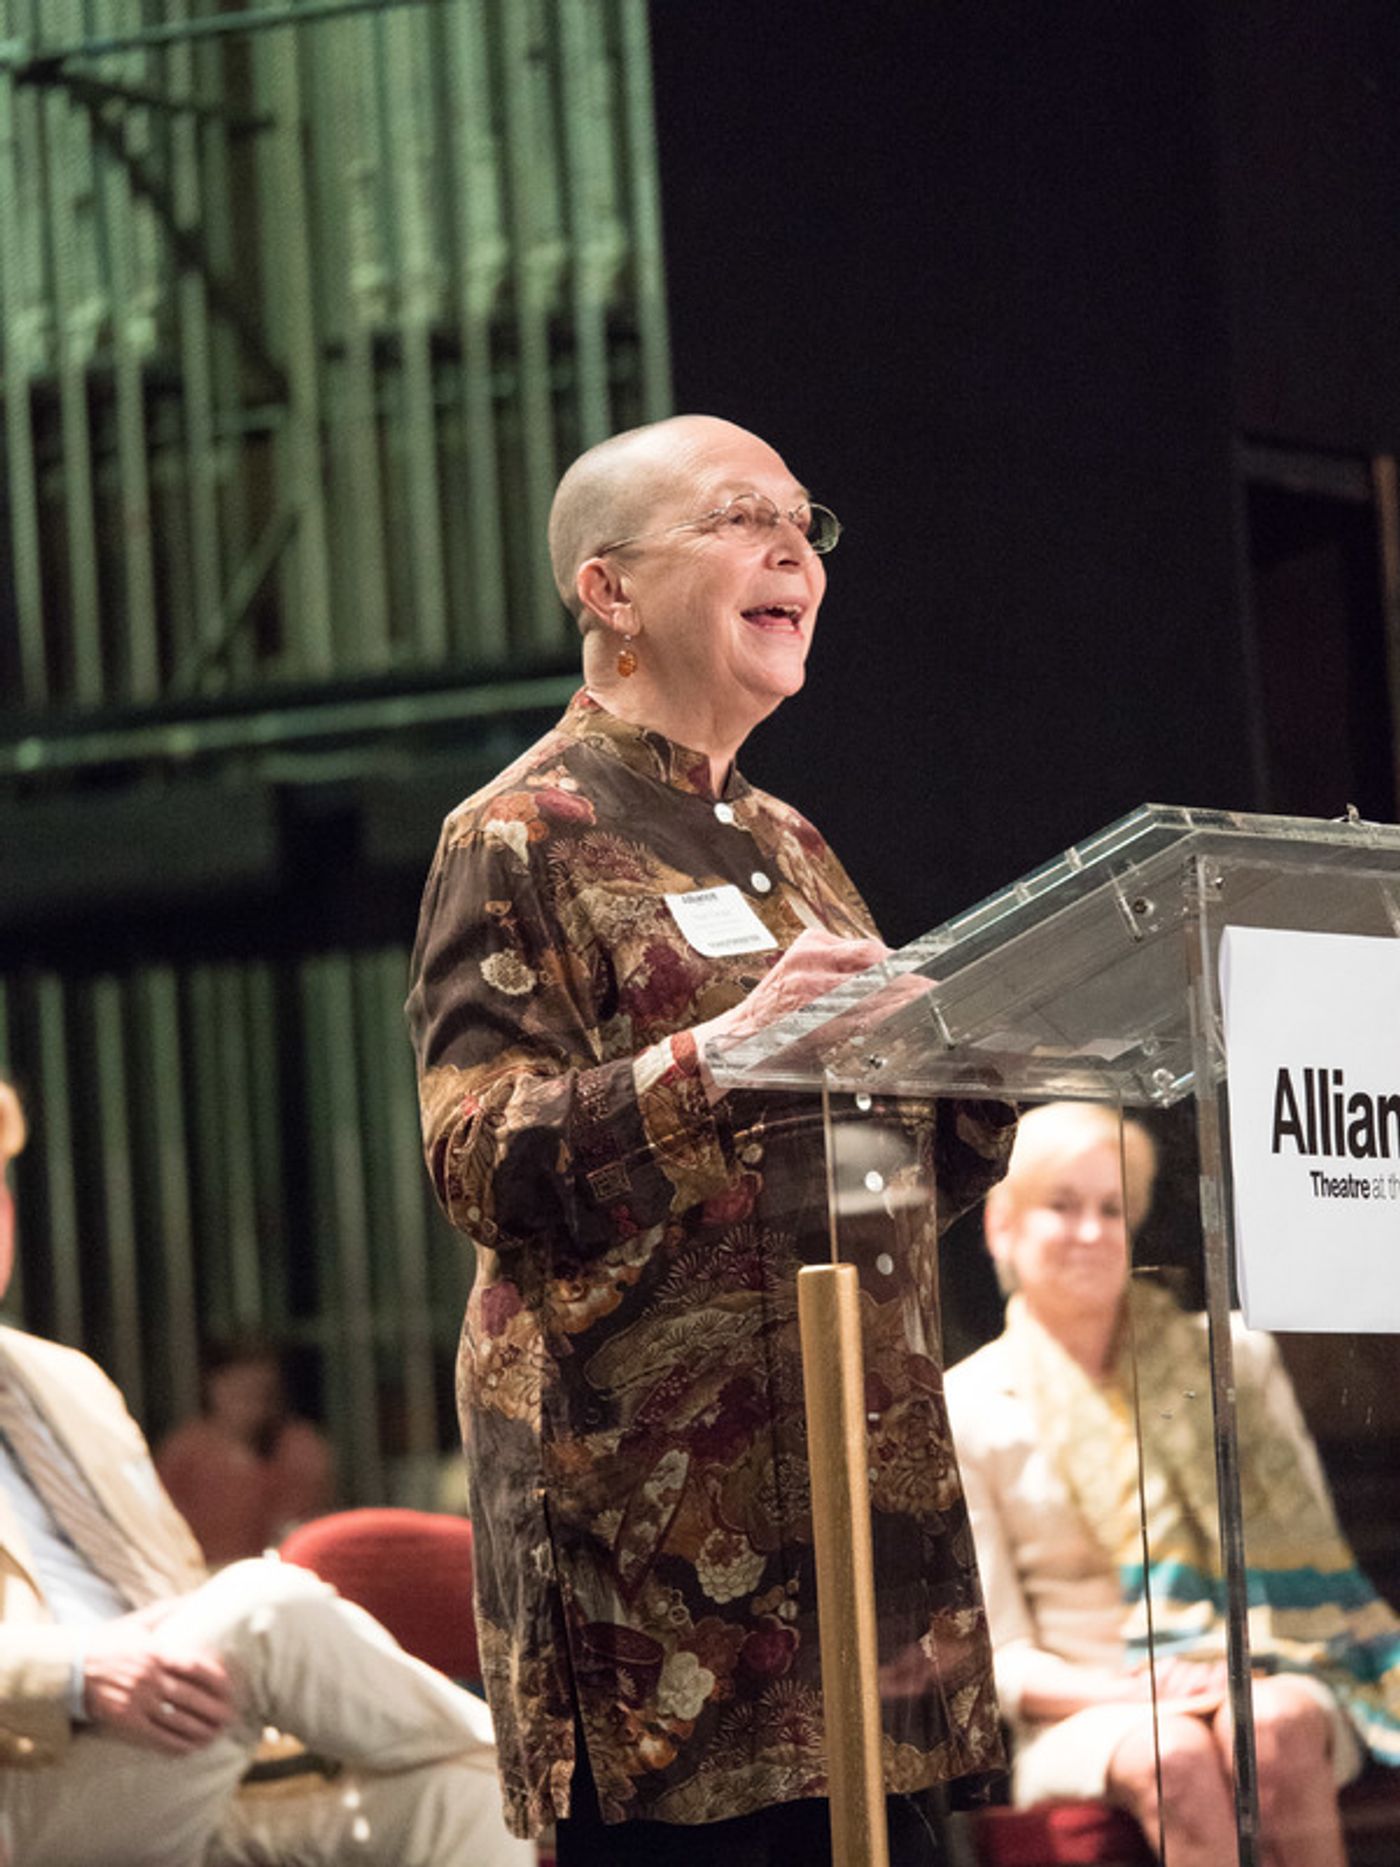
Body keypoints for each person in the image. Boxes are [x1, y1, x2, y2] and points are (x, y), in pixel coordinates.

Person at [407, 413, 1018, 1864]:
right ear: (608, 590)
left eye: (806, 523)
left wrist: (969, 1071)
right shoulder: (517, 836)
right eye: (744, 517)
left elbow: (864, 1163)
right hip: (666, 1591)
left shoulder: (791, 841)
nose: (794, 548)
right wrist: (718, 1055)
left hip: (866, 1560)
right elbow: (480, 1157)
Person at [0, 1077, 532, 1867]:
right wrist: (78, 1670)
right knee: (263, 1605)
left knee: (462, 1794)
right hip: (28, 1775)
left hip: (170, 1755)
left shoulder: (61, 1381)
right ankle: (556, 1785)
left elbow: (170, 1579)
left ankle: (518, 1779)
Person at [944, 1100, 1400, 1867]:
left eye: (1112, 1208)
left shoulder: (1234, 1359)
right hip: (1084, 1707)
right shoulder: (965, 1402)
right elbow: (1005, 1657)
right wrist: (1139, 1694)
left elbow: (1308, 1568)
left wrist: (1234, 1663)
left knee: (1276, 1727)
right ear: (1002, 1227)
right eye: (1062, 1206)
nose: (1092, 1232)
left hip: (1264, 1658)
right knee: (1177, 1754)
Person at [157, 1332, 334, 1566]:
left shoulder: (301, 1447)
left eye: (261, 1392)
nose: (252, 1404)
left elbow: (311, 1525)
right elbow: (160, 1527)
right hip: (202, 1581)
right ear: (213, 1387)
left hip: (283, 1575)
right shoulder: (185, 1450)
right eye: (239, 1392)